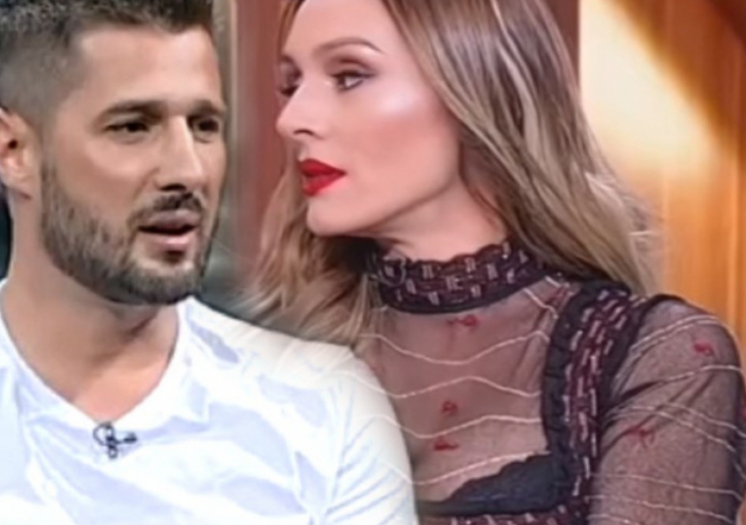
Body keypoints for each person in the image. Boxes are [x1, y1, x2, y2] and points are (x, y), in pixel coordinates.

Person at [0, 1, 416, 523]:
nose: (187, 170)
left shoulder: (325, 408)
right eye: (134, 127)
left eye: (204, 125)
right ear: (13, 150)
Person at [245, 0, 746, 523]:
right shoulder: (264, 361)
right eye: (291, 85)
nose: (290, 119)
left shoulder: (657, 358)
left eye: (349, 76)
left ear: (475, 87)